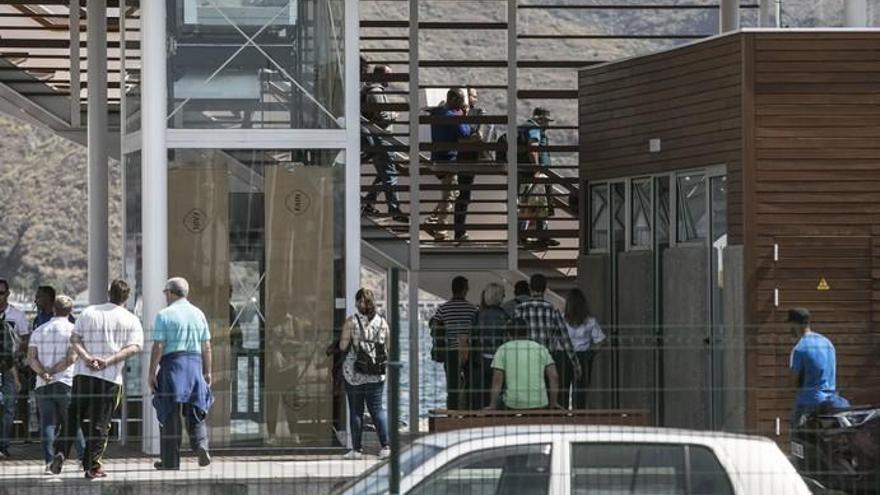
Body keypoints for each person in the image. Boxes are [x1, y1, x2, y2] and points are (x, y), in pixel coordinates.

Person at [50, 279, 144, 479]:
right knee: (100, 423)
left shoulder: (89, 312)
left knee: (74, 416)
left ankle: (60, 451)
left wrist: (86, 357)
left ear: (109, 293)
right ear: (126, 298)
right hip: (109, 377)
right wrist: (108, 361)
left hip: (83, 375)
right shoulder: (130, 319)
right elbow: (135, 347)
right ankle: (92, 466)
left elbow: (74, 339)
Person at [149, 277, 213, 471]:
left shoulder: (164, 315)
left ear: (170, 292)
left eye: (165, 292)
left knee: (169, 413)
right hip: (194, 365)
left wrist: (152, 372)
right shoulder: (198, 314)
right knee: (195, 410)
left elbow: (158, 345)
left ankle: (170, 461)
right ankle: (201, 445)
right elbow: (207, 346)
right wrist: (207, 371)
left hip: (172, 365)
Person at [26, 295, 85, 473]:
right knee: (73, 422)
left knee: (47, 424)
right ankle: (84, 459)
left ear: (53, 309)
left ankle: (49, 462)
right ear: (71, 311)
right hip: (66, 381)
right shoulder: (73, 330)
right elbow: (71, 358)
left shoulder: (39, 330)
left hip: (42, 384)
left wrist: (43, 372)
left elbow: (31, 358)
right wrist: (53, 371)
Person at [339, 289, 390, 460]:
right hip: (376, 373)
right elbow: (389, 347)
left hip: (355, 373)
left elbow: (342, 346)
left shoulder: (351, 322)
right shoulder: (382, 322)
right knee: (377, 409)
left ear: (357, 303)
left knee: (356, 411)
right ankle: (386, 446)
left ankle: (357, 450)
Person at [514, 273, 581, 405]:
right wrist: (575, 363)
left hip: (526, 359)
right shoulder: (552, 310)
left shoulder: (520, 310)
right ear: (545, 289)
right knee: (546, 394)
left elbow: (512, 335)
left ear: (530, 288)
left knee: (529, 397)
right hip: (547, 359)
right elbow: (565, 339)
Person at [788, 307, 849, 429]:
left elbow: (793, 382)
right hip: (831, 404)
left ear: (795, 324)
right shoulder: (827, 343)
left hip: (808, 405)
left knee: (798, 441)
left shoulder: (799, 349)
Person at [361, 65, 407, 223]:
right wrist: (395, 113)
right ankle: (394, 210)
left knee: (384, 174)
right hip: (381, 140)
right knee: (390, 175)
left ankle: (368, 202)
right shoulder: (375, 92)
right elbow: (382, 117)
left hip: (382, 140)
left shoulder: (375, 90)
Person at [425, 88, 472, 241]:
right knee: (449, 197)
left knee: (451, 194)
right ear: (452, 99)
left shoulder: (437, 113)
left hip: (437, 158)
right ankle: (440, 231)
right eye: (460, 99)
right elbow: (465, 132)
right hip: (448, 160)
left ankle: (433, 220)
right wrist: (464, 116)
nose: (462, 103)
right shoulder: (451, 117)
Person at [429, 276, 478, 410]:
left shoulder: (443, 309)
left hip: (451, 352)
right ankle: (468, 412)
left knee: (452, 387)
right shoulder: (472, 309)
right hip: (469, 351)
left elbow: (435, 327)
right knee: (470, 384)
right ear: (464, 290)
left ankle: (452, 413)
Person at [488, 318, 559, 410]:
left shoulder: (503, 350)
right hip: (540, 403)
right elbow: (554, 377)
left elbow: (497, 381)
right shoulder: (540, 348)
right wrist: (553, 403)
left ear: (509, 334)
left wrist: (492, 406)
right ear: (527, 332)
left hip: (513, 404)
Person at [453, 88, 494, 242]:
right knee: (461, 196)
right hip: (461, 159)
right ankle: (458, 231)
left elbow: (481, 135)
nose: (474, 99)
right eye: (472, 95)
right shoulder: (458, 113)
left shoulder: (477, 113)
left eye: (475, 96)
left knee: (463, 195)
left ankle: (459, 231)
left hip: (470, 159)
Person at [518, 107, 559, 248]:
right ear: (540, 119)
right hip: (535, 175)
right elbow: (533, 146)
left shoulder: (528, 127)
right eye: (546, 121)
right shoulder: (533, 128)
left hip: (532, 175)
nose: (547, 125)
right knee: (534, 205)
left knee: (537, 205)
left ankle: (541, 235)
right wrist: (536, 170)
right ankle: (524, 236)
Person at [466, 283, 509, 410]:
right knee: (499, 394)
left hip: (481, 361)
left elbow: (471, 339)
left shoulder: (478, 315)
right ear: (499, 297)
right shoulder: (505, 316)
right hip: (501, 361)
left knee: (481, 397)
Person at [561, 289, 605, 409]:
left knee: (563, 388)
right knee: (581, 390)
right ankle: (578, 415)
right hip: (583, 356)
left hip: (565, 355)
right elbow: (600, 341)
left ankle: (562, 414)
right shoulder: (590, 321)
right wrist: (591, 353)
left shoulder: (562, 319)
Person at [0, 278, 26, 458]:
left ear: (7, 294)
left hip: (10, 366)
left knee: (9, 407)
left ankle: (3, 444)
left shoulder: (17, 316)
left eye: (1, 293)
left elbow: (25, 339)